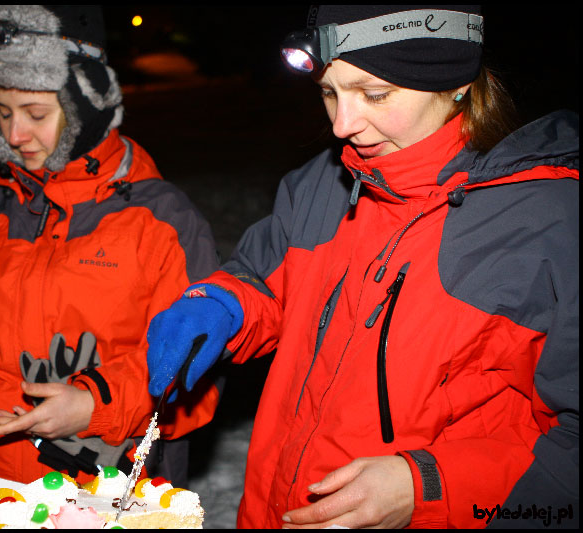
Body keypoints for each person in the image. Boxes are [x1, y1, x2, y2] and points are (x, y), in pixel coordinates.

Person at [146, 5, 579, 529]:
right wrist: (223, 305)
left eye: (374, 94)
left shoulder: (551, 223)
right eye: (329, 92)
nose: (341, 125)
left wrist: (429, 488)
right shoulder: (320, 184)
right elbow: (264, 279)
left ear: (456, 83)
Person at [0, 5, 221, 486]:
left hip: (105, 492)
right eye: (2, 112)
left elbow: (193, 372)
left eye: (36, 113)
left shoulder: (162, 224)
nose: (15, 134)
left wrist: (96, 405)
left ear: (85, 105)